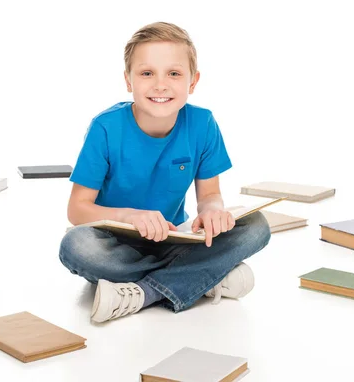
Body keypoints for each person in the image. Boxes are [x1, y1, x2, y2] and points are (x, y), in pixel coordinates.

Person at [59, 21, 271, 323]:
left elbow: (210, 195)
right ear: (128, 80)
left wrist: (213, 212)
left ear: (193, 82)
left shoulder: (203, 124)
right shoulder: (105, 127)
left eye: (174, 73)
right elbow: (77, 209)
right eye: (147, 73)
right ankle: (204, 278)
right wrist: (130, 217)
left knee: (257, 225)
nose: (160, 85)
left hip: (174, 240)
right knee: (75, 246)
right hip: (116, 245)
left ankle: (143, 293)